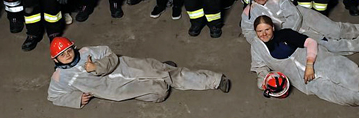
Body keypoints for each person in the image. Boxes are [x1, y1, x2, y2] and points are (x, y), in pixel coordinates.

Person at [250, 16, 359, 115]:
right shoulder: (257, 47)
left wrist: (310, 64)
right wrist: (264, 82)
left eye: (267, 29)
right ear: (255, 32)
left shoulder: (286, 34)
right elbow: (260, 68)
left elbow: (310, 42)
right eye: (260, 31)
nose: (264, 34)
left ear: (273, 27)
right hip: (309, 84)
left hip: (322, 62)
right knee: (351, 97)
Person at [47, 37, 231, 109]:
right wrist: (76, 99)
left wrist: (97, 67)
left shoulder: (87, 52)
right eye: (62, 55)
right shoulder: (61, 78)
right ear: (55, 60)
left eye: (69, 50)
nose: (68, 55)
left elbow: (109, 53)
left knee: (170, 74)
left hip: (126, 66)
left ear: (74, 47)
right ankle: (161, 70)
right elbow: (54, 96)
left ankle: (215, 80)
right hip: (121, 89)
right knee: (160, 92)